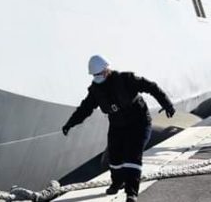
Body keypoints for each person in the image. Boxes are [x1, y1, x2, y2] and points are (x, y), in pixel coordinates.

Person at [61, 55, 175, 202]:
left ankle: (131, 193)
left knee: (132, 156)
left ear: (107, 70)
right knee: (114, 157)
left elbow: (151, 87)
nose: (97, 78)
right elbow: (85, 108)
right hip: (118, 126)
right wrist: (70, 123)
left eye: (100, 74)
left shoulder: (126, 79)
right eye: (95, 76)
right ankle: (117, 183)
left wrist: (167, 104)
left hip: (139, 123)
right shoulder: (96, 91)